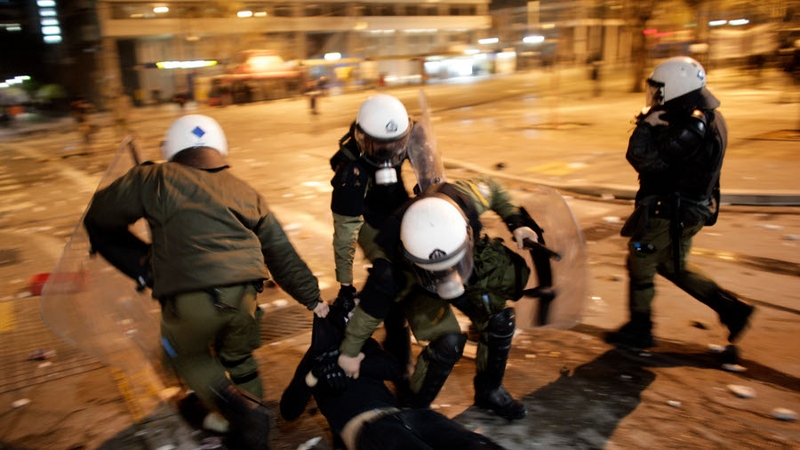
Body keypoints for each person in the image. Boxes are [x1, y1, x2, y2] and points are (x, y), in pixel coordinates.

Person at [83, 114, 330, 449]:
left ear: (173, 149)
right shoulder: (246, 191)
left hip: (191, 300)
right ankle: (251, 429)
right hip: (244, 296)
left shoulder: (154, 177)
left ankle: (240, 413)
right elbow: (281, 253)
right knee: (239, 358)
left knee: (184, 355)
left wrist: (146, 262)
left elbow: (99, 213)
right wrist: (315, 299)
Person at [336, 177, 542, 421]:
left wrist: (516, 222)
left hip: (467, 266)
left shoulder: (461, 198)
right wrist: (349, 354)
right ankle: (416, 406)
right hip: (420, 288)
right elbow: (368, 313)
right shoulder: (391, 265)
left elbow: (495, 189)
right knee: (448, 342)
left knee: (500, 320)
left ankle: (490, 390)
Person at [605, 56, 754, 349]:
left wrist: (646, 126)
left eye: (660, 90)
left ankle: (640, 327)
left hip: (671, 211)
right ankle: (733, 310)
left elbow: (643, 159)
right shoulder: (700, 115)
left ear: (676, 86)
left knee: (640, 257)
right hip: (686, 210)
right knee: (674, 266)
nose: (656, 96)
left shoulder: (691, 126)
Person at [280, 298, 507, 450]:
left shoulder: (365, 348)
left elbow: (392, 368)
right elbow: (289, 410)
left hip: (411, 416)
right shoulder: (316, 357)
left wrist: (352, 361)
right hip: (370, 428)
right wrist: (315, 374)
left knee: (476, 444)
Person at [329, 93, 414, 366]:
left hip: (400, 209)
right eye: (379, 146)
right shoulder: (350, 173)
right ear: (362, 138)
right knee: (388, 272)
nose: (389, 153)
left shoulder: (406, 137)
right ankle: (396, 350)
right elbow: (345, 233)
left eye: (395, 145)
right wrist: (345, 285)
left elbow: (429, 166)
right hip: (368, 219)